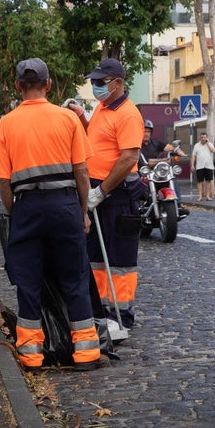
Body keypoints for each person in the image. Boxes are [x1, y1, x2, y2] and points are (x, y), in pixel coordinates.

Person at [0, 58, 105, 372]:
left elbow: (2, 180)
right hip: (65, 205)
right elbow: (82, 171)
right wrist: (82, 211)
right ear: (49, 84)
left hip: (27, 205)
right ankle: (86, 354)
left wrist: (17, 212)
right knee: (74, 277)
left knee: (28, 282)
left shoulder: (7, 123)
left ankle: (31, 356)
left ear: (17, 86)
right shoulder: (67, 119)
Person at [66, 58, 146, 331]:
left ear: (118, 83)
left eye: (100, 82)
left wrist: (102, 191)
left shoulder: (128, 114)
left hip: (119, 195)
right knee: (97, 258)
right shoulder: (102, 108)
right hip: (100, 191)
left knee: (120, 259)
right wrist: (81, 117)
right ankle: (102, 310)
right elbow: (95, 139)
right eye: (93, 82)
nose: (95, 86)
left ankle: (122, 316)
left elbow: (128, 158)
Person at [190, 132, 215, 201]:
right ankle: (200, 196)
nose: (203, 138)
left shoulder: (210, 144)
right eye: (202, 137)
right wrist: (192, 165)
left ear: (207, 138)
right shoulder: (196, 145)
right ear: (200, 137)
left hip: (209, 166)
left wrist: (208, 143)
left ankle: (208, 196)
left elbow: (214, 151)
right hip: (199, 166)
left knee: (208, 181)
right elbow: (193, 156)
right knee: (199, 181)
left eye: (204, 137)